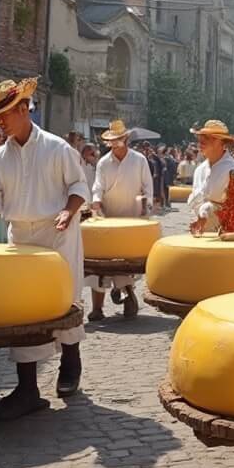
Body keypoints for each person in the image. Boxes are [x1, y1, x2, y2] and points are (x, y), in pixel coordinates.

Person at [0, 79, 90, 421]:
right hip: (21, 238)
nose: (1, 124)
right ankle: (28, 388)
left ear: (24, 109)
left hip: (58, 233)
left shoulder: (57, 148)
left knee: (63, 300)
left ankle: (70, 361)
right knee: (24, 308)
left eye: (5, 116)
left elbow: (78, 184)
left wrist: (68, 211)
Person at [87, 120, 153, 322]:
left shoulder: (139, 160)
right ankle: (97, 308)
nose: (114, 143)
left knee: (125, 262)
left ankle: (127, 292)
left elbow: (147, 186)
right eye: (111, 140)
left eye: (118, 139)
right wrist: (96, 202)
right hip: (108, 218)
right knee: (98, 265)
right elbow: (98, 186)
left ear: (125, 139)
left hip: (132, 219)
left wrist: (146, 206)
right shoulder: (103, 162)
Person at [187, 120, 234, 234]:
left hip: (225, 234)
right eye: (200, 139)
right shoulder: (200, 170)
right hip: (199, 232)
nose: (200, 143)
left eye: (206, 139)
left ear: (220, 142)